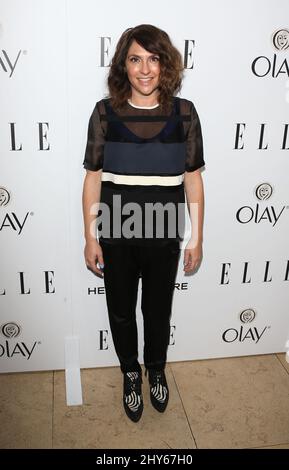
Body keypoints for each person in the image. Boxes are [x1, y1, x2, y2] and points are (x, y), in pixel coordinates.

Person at [82, 24, 205, 422]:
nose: (145, 69)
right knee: (120, 310)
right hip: (116, 232)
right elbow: (94, 177)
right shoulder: (104, 113)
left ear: (166, 65)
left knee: (157, 310)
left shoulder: (185, 114)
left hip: (164, 232)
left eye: (153, 59)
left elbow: (192, 178)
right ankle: (130, 372)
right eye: (136, 59)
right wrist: (90, 237)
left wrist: (196, 238)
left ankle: (155, 369)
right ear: (124, 65)